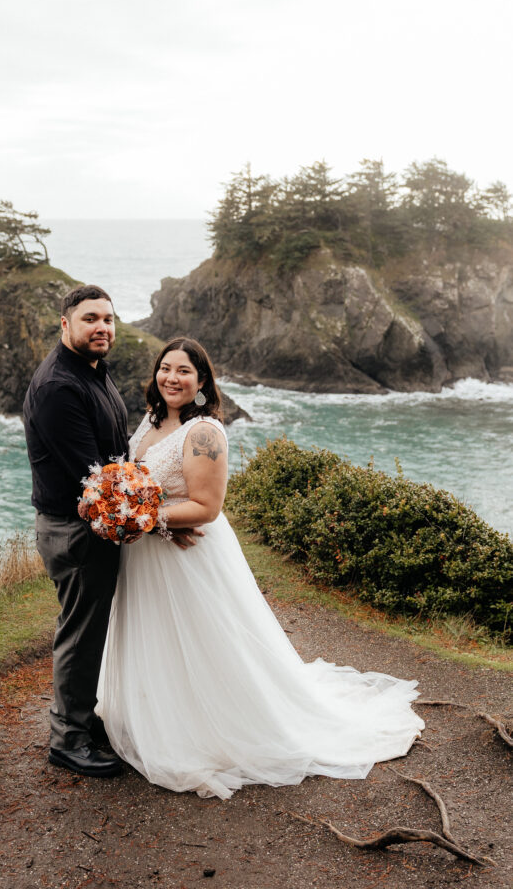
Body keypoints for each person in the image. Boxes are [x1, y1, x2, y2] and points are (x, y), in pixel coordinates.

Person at [96, 337, 425, 799]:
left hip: (186, 557)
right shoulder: (152, 421)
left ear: (203, 381)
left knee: (203, 640)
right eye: (165, 369)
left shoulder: (204, 432)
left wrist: (142, 518)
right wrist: (131, 514)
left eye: (184, 371)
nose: (172, 378)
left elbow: (207, 507)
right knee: (159, 636)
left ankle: (213, 729)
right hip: (149, 554)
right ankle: (159, 713)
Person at [23, 284, 129, 778]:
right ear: (65, 324)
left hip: (94, 525)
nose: (101, 327)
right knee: (81, 632)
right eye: (90, 319)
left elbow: (115, 455)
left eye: (107, 319)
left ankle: (83, 720)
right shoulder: (58, 388)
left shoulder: (93, 371)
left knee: (91, 628)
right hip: (75, 529)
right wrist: (158, 518)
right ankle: (68, 738)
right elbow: (96, 478)